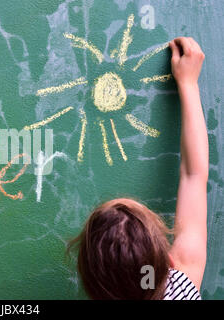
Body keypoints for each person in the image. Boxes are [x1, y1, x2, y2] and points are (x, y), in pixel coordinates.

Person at [67, 37, 208, 300]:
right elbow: (194, 175)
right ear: (170, 264)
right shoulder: (180, 290)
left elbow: (194, 176)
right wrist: (189, 84)